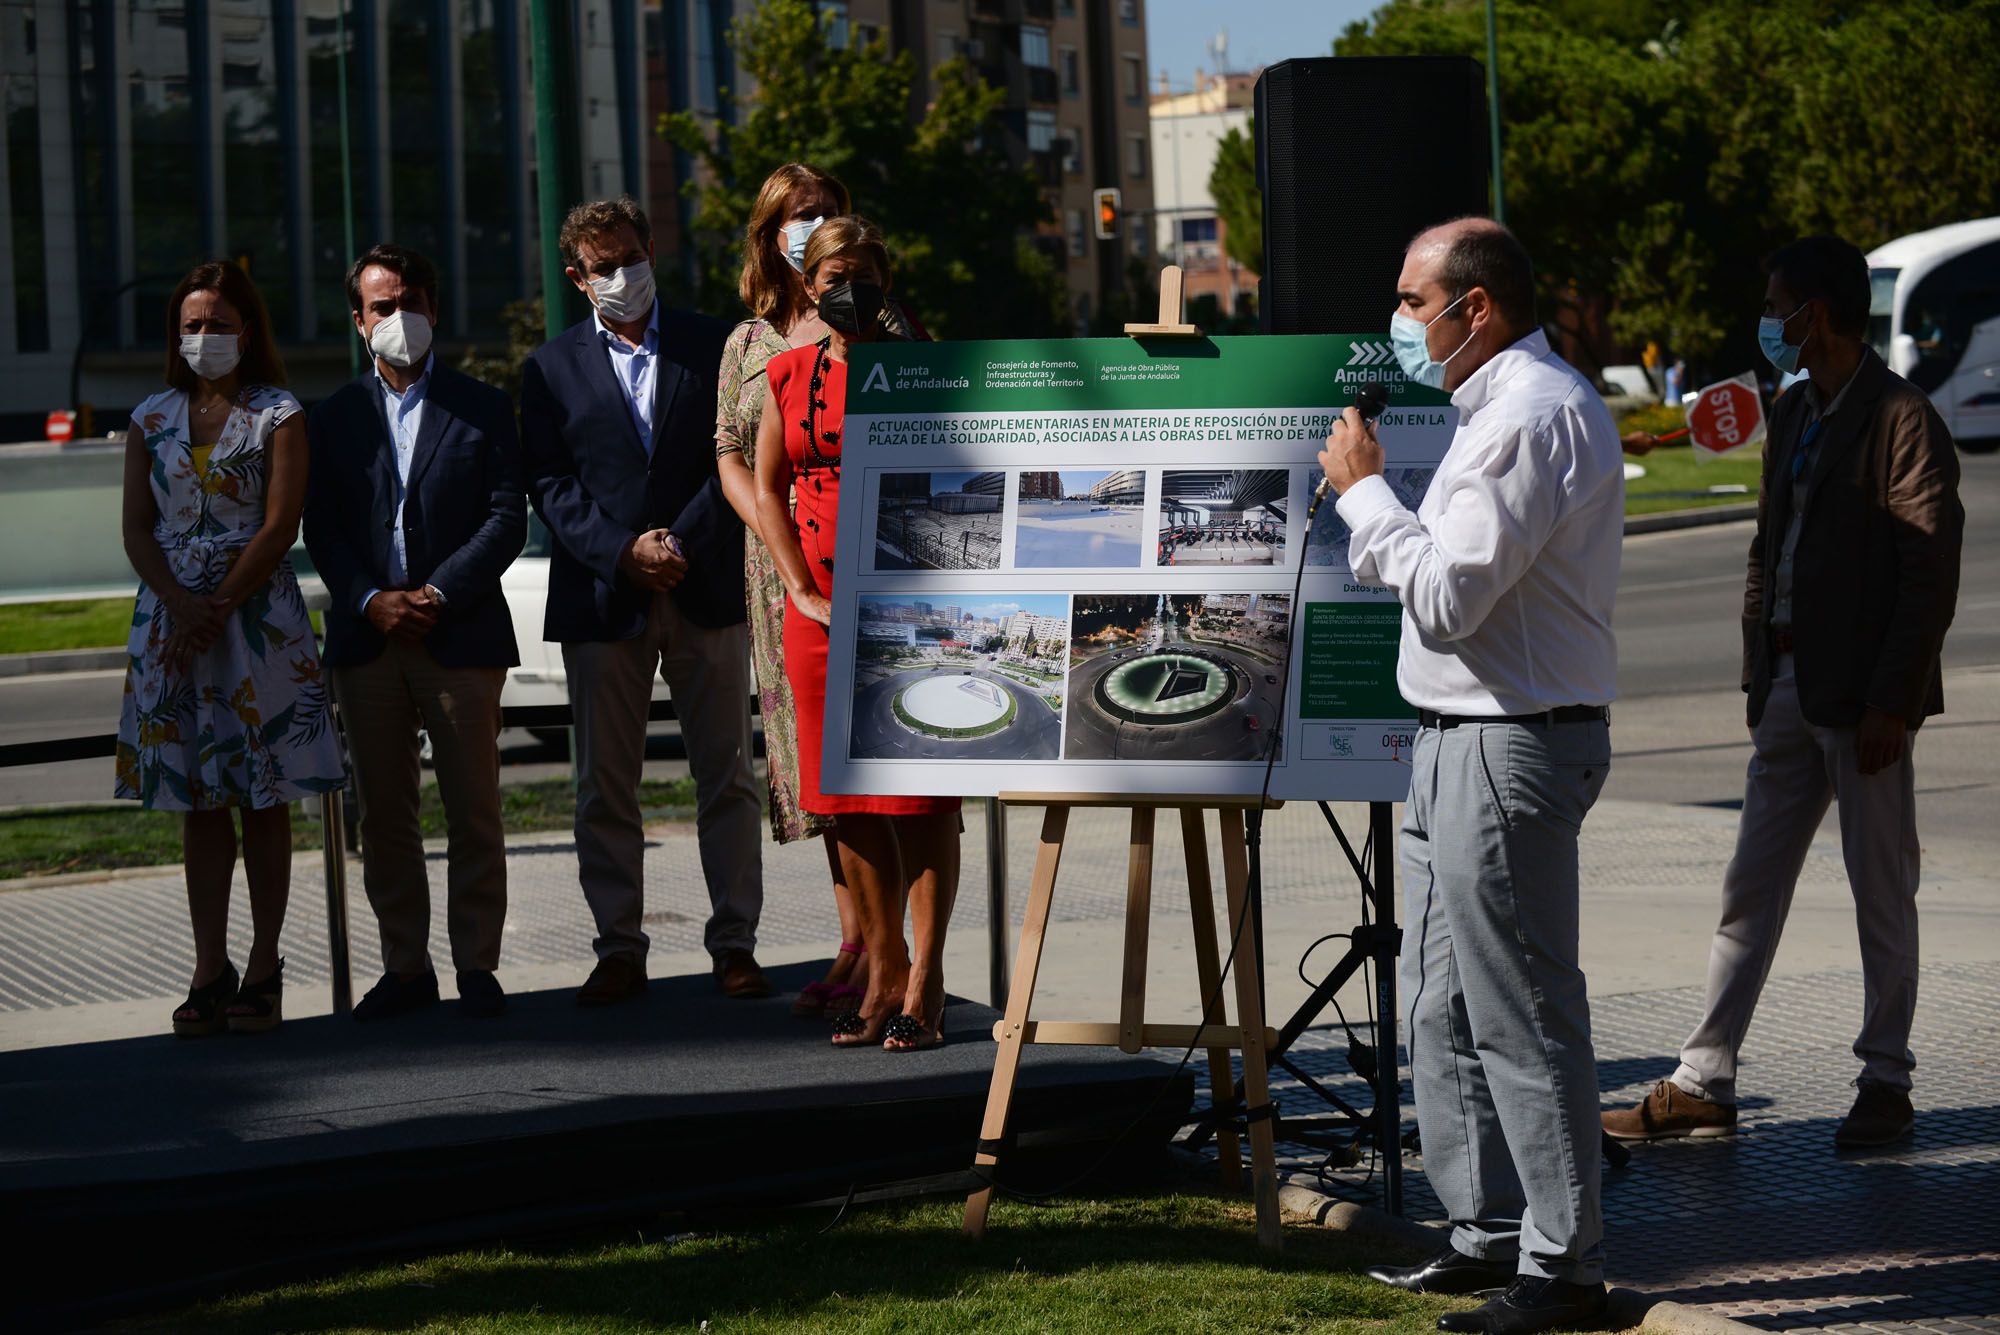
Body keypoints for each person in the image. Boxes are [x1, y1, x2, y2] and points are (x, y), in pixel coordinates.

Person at [1318, 218, 1623, 1334]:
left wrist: (1359, 493)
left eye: (1412, 300)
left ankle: (1564, 1267)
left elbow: (1449, 597)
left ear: (1474, 306)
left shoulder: (1530, 415)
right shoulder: (1488, 410)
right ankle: (1485, 1229)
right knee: (1439, 1005)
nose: (1399, 323)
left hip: (1508, 742)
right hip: (1457, 737)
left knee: (1521, 1011)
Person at [1603, 236, 1963, 1150]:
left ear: (1817, 311)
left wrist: (1893, 700)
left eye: (1777, 304)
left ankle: (1886, 1081)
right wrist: (1759, 674)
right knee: (1749, 886)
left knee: (1882, 892)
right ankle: (1704, 1077)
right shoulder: (1794, 406)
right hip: (1792, 686)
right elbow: (1768, 550)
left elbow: (1928, 573)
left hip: (1865, 701)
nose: (1768, 322)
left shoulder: (1902, 418)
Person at [521, 196, 767, 1006]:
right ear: (576, 278)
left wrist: (680, 542)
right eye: (602, 267)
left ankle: (735, 943)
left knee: (728, 775)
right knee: (604, 785)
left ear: (651, 250)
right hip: (604, 597)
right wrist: (623, 552)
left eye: (630, 257)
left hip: (705, 585)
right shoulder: (550, 369)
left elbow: (730, 452)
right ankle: (619, 947)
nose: (621, 276)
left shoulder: (715, 343)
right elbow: (551, 486)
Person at [115, 259, 346, 1037]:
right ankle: (207, 964)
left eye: (217, 323)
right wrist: (183, 606)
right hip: (173, 625)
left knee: (263, 794)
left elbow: (282, 523)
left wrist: (217, 604)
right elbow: (136, 528)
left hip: (256, 618)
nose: (203, 336)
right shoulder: (149, 417)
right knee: (199, 801)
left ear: (247, 331)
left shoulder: (279, 412)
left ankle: (266, 964)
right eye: (191, 324)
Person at [753, 216, 961, 1051]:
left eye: (867, 271)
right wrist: (798, 586)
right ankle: (881, 968)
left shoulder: (923, 367)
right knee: (846, 802)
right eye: (835, 273)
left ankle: (927, 980)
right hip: (819, 607)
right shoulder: (788, 371)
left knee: (919, 795)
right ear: (807, 283)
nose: (851, 287)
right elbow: (767, 485)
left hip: (910, 603)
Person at [304, 243, 526, 1022]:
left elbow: (507, 517)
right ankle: (406, 967)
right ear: (361, 321)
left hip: (458, 635)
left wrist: (435, 591)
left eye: (412, 301)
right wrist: (370, 599)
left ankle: (477, 966)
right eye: (383, 306)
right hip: (369, 643)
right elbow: (322, 527)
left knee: (475, 811)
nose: (400, 318)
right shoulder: (334, 418)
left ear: (435, 307)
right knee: (385, 815)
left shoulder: (484, 405)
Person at [712, 162, 865, 1017]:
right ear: (770, 234)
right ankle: (852, 934)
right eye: (796, 216)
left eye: (825, 213)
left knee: (873, 753)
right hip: (782, 580)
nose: (810, 225)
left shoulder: (872, 323)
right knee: (815, 763)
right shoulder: (748, 340)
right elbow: (731, 456)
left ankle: (888, 941)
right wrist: (779, 547)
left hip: (861, 566)